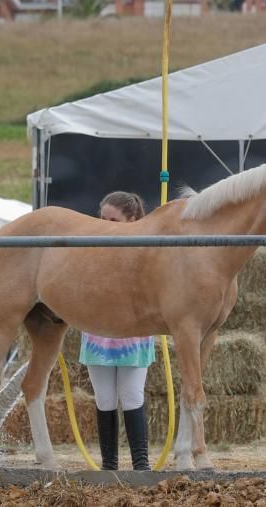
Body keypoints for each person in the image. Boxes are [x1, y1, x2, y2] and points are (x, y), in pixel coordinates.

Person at [80, 191, 153, 471]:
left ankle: (141, 465)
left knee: (133, 395)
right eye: (102, 218)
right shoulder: (90, 249)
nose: (105, 224)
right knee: (105, 399)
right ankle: (109, 466)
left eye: (112, 219)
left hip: (133, 334)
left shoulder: (145, 250)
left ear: (132, 220)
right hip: (98, 334)